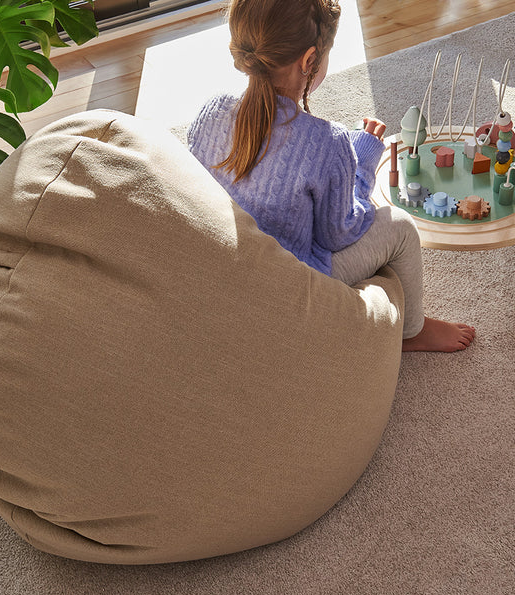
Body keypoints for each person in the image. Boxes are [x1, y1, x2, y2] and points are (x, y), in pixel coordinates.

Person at [187, 0, 475, 352]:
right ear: (309, 61)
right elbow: (340, 233)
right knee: (400, 228)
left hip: (225, 272)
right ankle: (412, 332)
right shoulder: (330, 142)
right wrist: (362, 161)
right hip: (290, 289)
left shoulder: (210, 110)